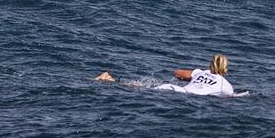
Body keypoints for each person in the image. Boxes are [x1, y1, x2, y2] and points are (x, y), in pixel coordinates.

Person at [95, 54, 236, 97]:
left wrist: (191, 77)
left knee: (141, 88)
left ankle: (110, 79)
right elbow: (230, 96)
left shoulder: (201, 72)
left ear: (211, 65)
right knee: (142, 91)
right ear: (226, 69)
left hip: (173, 88)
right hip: (179, 96)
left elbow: (176, 73)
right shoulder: (226, 86)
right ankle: (109, 80)